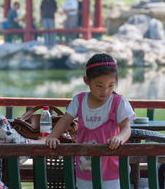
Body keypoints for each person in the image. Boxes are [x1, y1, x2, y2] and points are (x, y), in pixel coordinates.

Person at [46, 53, 136, 189]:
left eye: (111, 85)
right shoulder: (79, 100)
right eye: (99, 86)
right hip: (85, 169)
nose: (105, 91)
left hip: (112, 170)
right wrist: (53, 136)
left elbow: (126, 128)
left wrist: (119, 138)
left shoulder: (119, 103)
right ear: (86, 80)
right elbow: (65, 120)